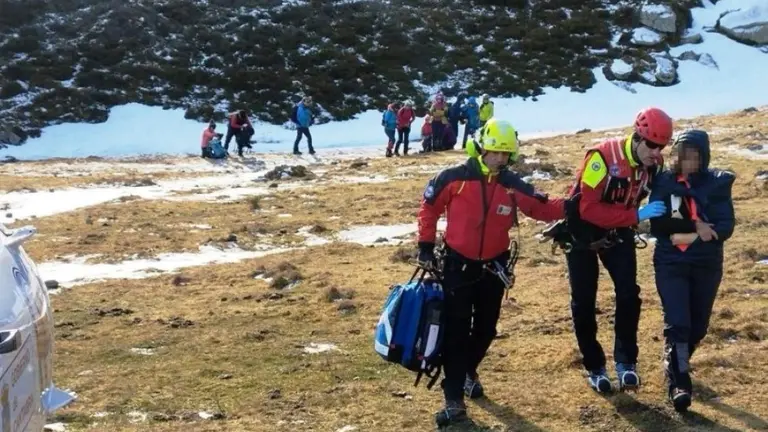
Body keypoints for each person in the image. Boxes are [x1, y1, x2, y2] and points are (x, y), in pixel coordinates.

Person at [417, 118, 567, 427]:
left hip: (493, 270)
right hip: (457, 267)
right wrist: (425, 247)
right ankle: (454, 398)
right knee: (457, 332)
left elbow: (540, 208)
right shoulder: (454, 178)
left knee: (486, 330)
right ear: (482, 148)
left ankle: (466, 372)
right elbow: (429, 208)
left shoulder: (512, 184)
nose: (499, 158)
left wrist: (575, 204)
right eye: (495, 151)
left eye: (505, 153)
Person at [558, 107, 673, 394]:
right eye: (651, 145)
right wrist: (635, 216)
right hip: (581, 233)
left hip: (619, 231)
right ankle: (594, 366)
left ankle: (626, 362)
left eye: (661, 147)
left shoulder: (654, 165)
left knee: (628, 293)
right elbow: (587, 208)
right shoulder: (601, 158)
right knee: (584, 300)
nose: (656, 152)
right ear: (638, 137)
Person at [648, 129, 735, 412]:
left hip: (706, 264)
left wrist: (685, 235)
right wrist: (695, 227)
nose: (687, 162)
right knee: (678, 324)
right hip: (671, 262)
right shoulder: (664, 182)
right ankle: (680, 383)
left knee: (697, 327)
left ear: (703, 158)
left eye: (694, 156)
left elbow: (724, 227)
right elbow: (659, 225)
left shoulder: (717, 183)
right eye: (683, 155)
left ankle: (675, 360)